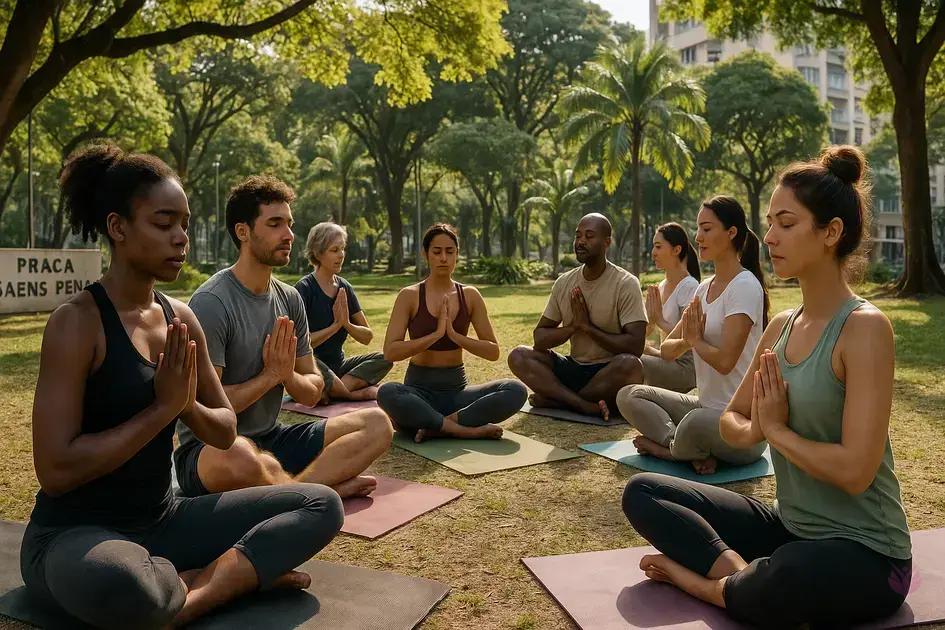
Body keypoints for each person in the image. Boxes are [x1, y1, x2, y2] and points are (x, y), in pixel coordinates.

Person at [21, 144, 343, 629]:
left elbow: (224, 428)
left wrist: (186, 404)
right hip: (76, 534)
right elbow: (55, 471)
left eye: (185, 224)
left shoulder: (181, 318)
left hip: (163, 521)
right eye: (163, 223)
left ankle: (197, 589)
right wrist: (161, 408)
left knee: (320, 504)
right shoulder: (77, 323)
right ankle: (223, 580)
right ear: (118, 227)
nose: (181, 238)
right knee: (120, 583)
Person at [622, 146, 911, 627]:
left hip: (870, 555)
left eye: (787, 223)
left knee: (792, 570)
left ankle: (708, 585)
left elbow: (856, 472)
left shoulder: (864, 328)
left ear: (831, 232)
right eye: (770, 223)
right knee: (644, 492)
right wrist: (756, 426)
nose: (770, 236)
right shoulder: (781, 327)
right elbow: (732, 421)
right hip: (791, 527)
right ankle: (741, 578)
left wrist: (775, 431)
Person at [174, 176, 392, 500]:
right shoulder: (212, 302)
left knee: (377, 424)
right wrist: (270, 376)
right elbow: (207, 406)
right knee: (241, 456)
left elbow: (313, 390)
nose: (289, 234)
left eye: (289, 224)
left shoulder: (290, 299)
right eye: (275, 224)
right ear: (243, 231)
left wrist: (287, 374)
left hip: (272, 439)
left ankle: (299, 490)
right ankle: (312, 491)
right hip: (213, 449)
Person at [617, 197, 769, 474]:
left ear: (731, 232)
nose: (698, 237)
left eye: (707, 229)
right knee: (629, 395)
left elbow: (725, 361)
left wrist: (696, 341)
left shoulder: (745, 286)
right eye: (698, 228)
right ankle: (684, 447)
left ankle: (670, 450)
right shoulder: (703, 289)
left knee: (696, 421)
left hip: (740, 423)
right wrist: (688, 340)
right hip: (703, 408)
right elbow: (667, 350)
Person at [377, 223, 527, 442]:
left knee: (516, 390)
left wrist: (455, 336)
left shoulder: (470, 295)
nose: (443, 258)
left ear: (457, 254)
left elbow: (492, 351)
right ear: (425, 254)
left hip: (457, 394)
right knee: (387, 392)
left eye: (450, 252)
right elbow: (391, 352)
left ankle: (436, 425)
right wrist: (435, 335)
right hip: (419, 391)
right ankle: (463, 430)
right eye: (437, 252)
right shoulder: (409, 296)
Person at [508, 213, 647, 420]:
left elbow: (635, 346)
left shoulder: (625, 283)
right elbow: (540, 339)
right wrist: (573, 327)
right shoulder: (565, 282)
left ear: (607, 242)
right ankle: (582, 404)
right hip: (573, 367)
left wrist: (588, 328)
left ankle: (560, 401)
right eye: (578, 235)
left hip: (607, 372)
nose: (581, 241)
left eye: (589, 236)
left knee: (631, 366)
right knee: (518, 355)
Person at [295, 222, 392, 402]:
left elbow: (367, 337)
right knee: (306, 362)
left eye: (342, 249)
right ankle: (350, 393)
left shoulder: (344, 287)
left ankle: (332, 390)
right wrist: (335, 326)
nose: (341, 255)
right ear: (318, 253)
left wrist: (346, 323)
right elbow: (298, 344)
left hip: (338, 366)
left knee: (386, 358)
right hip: (312, 365)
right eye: (334, 250)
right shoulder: (304, 289)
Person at [641, 222, 701, 393]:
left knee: (633, 363)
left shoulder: (689, 287)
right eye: (653, 247)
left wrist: (659, 320)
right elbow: (649, 331)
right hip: (665, 358)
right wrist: (650, 323)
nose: (653, 253)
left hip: (685, 367)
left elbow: (688, 337)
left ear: (676, 250)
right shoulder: (660, 286)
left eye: (658, 247)